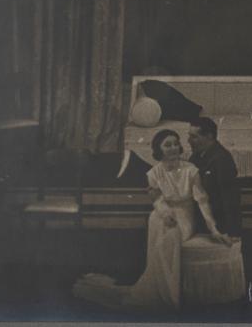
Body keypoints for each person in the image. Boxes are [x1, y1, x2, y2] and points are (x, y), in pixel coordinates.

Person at [73, 130, 230, 311]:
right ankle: (163, 291)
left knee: (172, 235)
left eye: (175, 143)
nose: (173, 148)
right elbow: (157, 200)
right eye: (167, 145)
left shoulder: (191, 171)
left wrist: (213, 228)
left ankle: (170, 295)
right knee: (163, 227)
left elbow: (202, 200)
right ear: (159, 149)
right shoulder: (153, 173)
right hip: (160, 215)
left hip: (185, 216)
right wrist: (165, 214)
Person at [188, 117, 241, 240]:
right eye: (189, 136)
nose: (189, 140)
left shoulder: (222, 159)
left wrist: (232, 232)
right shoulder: (196, 156)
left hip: (218, 227)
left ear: (209, 136)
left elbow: (230, 198)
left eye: (194, 137)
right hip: (200, 222)